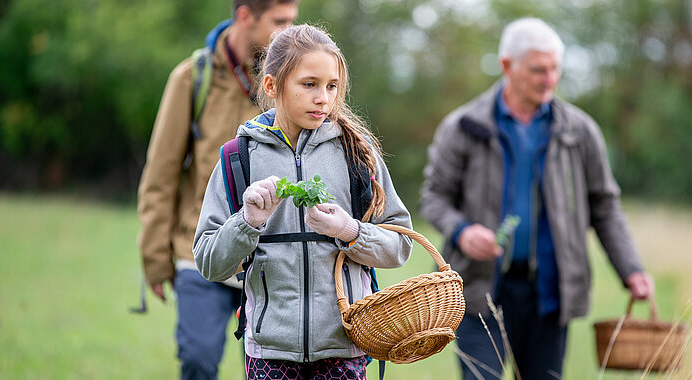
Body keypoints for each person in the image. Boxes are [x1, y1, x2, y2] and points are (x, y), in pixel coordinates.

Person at [419, 18, 655, 380]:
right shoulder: (463, 125)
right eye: (538, 70)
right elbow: (433, 197)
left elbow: (605, 206)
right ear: (506, 66)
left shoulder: (578, 131)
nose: (549, 79)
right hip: (477, 292)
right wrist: (463, 232)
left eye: (555, 69)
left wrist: (632, 270)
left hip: (549, 294)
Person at [192, 24, 413, 379]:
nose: (323, 98)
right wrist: (247, 222)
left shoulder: (359, 155)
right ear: (271, 85)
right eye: (309, 84)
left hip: (346, 346)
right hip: (268, 352)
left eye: (331, 86)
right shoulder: (238, 157)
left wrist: (351, 231)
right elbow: (208, 262)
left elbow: (400, 246)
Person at [136, 1, 298, 378]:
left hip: (268, 258)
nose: (289, 31)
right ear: (245, 16)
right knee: (198, 360)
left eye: (293, 20)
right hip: (199, 251)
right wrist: (155, 259)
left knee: (266, 372)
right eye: (280, 21)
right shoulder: (192, 79)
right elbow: (161, 176)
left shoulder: (292, 79)